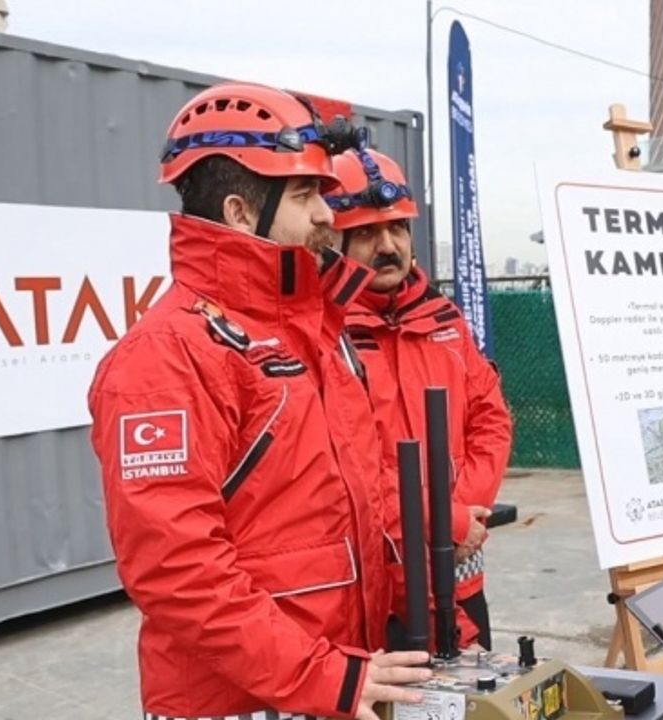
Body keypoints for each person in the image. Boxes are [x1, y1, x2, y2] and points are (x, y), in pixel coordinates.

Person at [87, 82, 432, 720]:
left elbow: (363, 502)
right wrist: (323, 677)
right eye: (305, 195)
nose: (329, 214)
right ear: (242, 212)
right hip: (241, 702)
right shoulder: (166, 356)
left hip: (337, 680)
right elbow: (178, 572)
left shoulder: (320, 334)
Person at [326, 148, 513, 651]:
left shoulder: (443, 320)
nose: (387, 246)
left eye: (397, 229)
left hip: (460, 576)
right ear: (333, 241)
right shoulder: (323, 333)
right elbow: (348, 466)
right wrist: (448, 519)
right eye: (365, 233)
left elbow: (491, 420)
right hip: (376, 597)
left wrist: (463, 512)